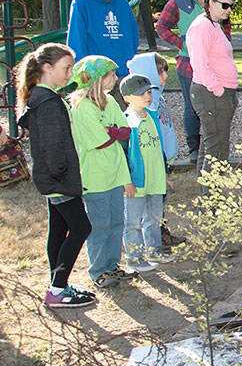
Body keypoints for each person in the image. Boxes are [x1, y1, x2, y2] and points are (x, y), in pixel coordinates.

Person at [16, 44, 97, 307]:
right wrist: (63, 175)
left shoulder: (44, 97)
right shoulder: (48, 102)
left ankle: (57, 286)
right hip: (58, 179)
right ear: (46, 68)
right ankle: (57, 290)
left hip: (53, 179)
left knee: (59, 229)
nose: (69, 74)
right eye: (66, 68)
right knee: (81, 227)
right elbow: (52, 147)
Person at [68, 56, 135, 289]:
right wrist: (111, 132)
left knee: (117, 222)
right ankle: (98, 270)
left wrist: (111, 131)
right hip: (95, 178)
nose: (116, 79)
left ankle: (112, 265)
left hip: (115, 174)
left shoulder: (110, 101)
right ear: (97, 79)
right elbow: (98, 141)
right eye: (111, 75)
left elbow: (125, 130)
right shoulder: (82, 107)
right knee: (100, 225)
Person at [155, 0, 215, 158]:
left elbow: (226, 28)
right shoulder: (179, 3)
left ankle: (211, 145)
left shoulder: (215, 1)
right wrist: (180, 43)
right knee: (192, 105)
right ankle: (194, 148)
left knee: (212, 104)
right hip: (188, 62)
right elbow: (162, 26)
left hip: (212, 61)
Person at [119, 73, 171, 273]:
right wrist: (127, 181)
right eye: (141, 94)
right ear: (127, 98)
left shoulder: (152, 116)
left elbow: (159, 149)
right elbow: (122, 155)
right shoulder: (126, 121)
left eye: (149, 92)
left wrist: (164, 173)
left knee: (154, 217)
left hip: (155, 179)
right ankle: (134, 256)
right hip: (136, 182)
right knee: (132, 221)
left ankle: (153, 249)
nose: (147, 97)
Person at [66, 0, 141, 90]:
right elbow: (76, 40)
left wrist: (130, 62)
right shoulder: (81, 2)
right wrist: (86, 74)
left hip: (123, 73)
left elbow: (132, 35)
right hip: (97, 77)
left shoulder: (122, 3)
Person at [186, 0, 240, 175]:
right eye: (225, 5)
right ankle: (212, 200)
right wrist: (218, 90)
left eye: (231, 6)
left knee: (211, 146)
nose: (229, 10)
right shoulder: (202, 26)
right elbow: (199, 64)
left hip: (220, 92)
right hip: (211, 93)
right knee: (217, 150)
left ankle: (206, 198)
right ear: (210, 3)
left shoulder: (214, 25)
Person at [125, 52, 179, 165]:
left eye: (165, 71)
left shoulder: (157, 95)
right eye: (160, 72)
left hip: (163, 156)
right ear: (147, 72)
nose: (166, 76)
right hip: (156, 158)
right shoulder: (148, 100)